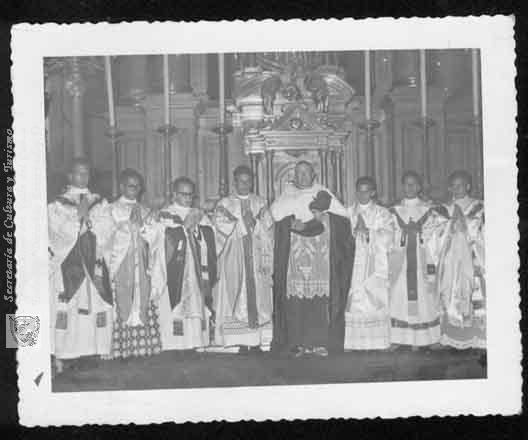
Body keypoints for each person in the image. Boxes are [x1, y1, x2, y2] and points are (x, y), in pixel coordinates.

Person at [270, 160, 354, 357]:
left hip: (320, 258)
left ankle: (319, 343)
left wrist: (323, 218)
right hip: (294, 259)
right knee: (295, 301)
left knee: (320, 300)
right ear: (294, 176)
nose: (302, 176)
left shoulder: (323, 193)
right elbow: (275, 216)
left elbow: (344, 219)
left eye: (306, 172)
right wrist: (290, 224)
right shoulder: (286, 195)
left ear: (313, 175)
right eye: (298, 173)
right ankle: (297, 343)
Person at [48, 158, 114, 373]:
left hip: (93, 264)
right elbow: (56, 232)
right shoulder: (57, 204)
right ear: (70, 175)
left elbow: (108, 229)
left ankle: (90, 351)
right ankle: (66, 354)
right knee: (70, 308)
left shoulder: (100, 202)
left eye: (86, 173)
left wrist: (90, 223)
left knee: (94, 306)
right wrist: (79, 217)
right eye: (79, 173)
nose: (83, 177)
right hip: (70, 266)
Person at [143, 177, 217, 352]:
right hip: (174, 270)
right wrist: (183, 229)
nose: (188, 198)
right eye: (184, 194)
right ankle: (174, 345)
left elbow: (211, 236)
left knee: (196, 303)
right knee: (174, 305)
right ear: (174, 194)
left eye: (191, 195)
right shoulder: (165, 215)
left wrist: (196, 231)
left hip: (195, 269)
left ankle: (195, 342)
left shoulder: (199, 215)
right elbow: (150, 236)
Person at [213, 165, 274, 353]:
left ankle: (257, 341)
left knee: (260, 298)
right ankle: (239, 341)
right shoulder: (225, 204)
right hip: (235, 259)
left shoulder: (260, 203)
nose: (245, 184)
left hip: (257, 260)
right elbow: (219, 227)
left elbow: (270, 229)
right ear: (235, 182)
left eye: (248, 181)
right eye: (241, 181)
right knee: (237, 298)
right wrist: (241, 224)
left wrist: (255, 224)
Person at [104, 169, 161, 360]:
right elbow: (107, 236)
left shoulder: (145, 210)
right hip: (122, 263)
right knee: (123, 300)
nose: (135, 189)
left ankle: (141, 347)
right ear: (122, 187)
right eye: (131, 186)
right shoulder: (111, 209)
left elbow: (154, 237)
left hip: (141, 264)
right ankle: (120, 348)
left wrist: (144, 227)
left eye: (138, 186)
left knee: (141, 298)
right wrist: (129, 226)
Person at [388, 171, 447, 350]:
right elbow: (388, 234)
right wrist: (402, 236)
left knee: (425, 296)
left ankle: (427, 338)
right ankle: (398, 338)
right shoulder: (393, 211)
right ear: (402, 186)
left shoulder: (430, 209)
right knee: (399, 296)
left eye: (413, 184)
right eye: (406, 184)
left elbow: (438, 234)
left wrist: (421, 234)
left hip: (423, 260)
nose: (410, 187)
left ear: (419, 186)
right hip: (401, 261)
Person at [437, 170, 485, 350]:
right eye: (453, 185)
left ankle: (476, 336)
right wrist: (449, 228)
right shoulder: (443, 209)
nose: (457, 188)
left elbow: (483, 233)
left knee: (473, 291)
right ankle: (450, 336)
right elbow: (435, 235)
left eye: (461, 185)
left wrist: (467, 228)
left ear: (468, 186)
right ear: (449, 188)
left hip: (472, 258)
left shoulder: (480, 207)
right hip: (450, 261)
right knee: (449, 292)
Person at [345, 177, 394, 350]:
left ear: (373, 192)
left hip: (374, 265)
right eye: (359, 190)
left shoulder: (382, 213)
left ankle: (378, 341)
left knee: (374, 298)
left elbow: (389, 236)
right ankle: (353, 342)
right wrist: (352, 233)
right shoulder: (347, 213)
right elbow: (340, 237)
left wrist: (369, 233)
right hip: (353, 263)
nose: (362, 194)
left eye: (366, 190)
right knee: (353, 297)